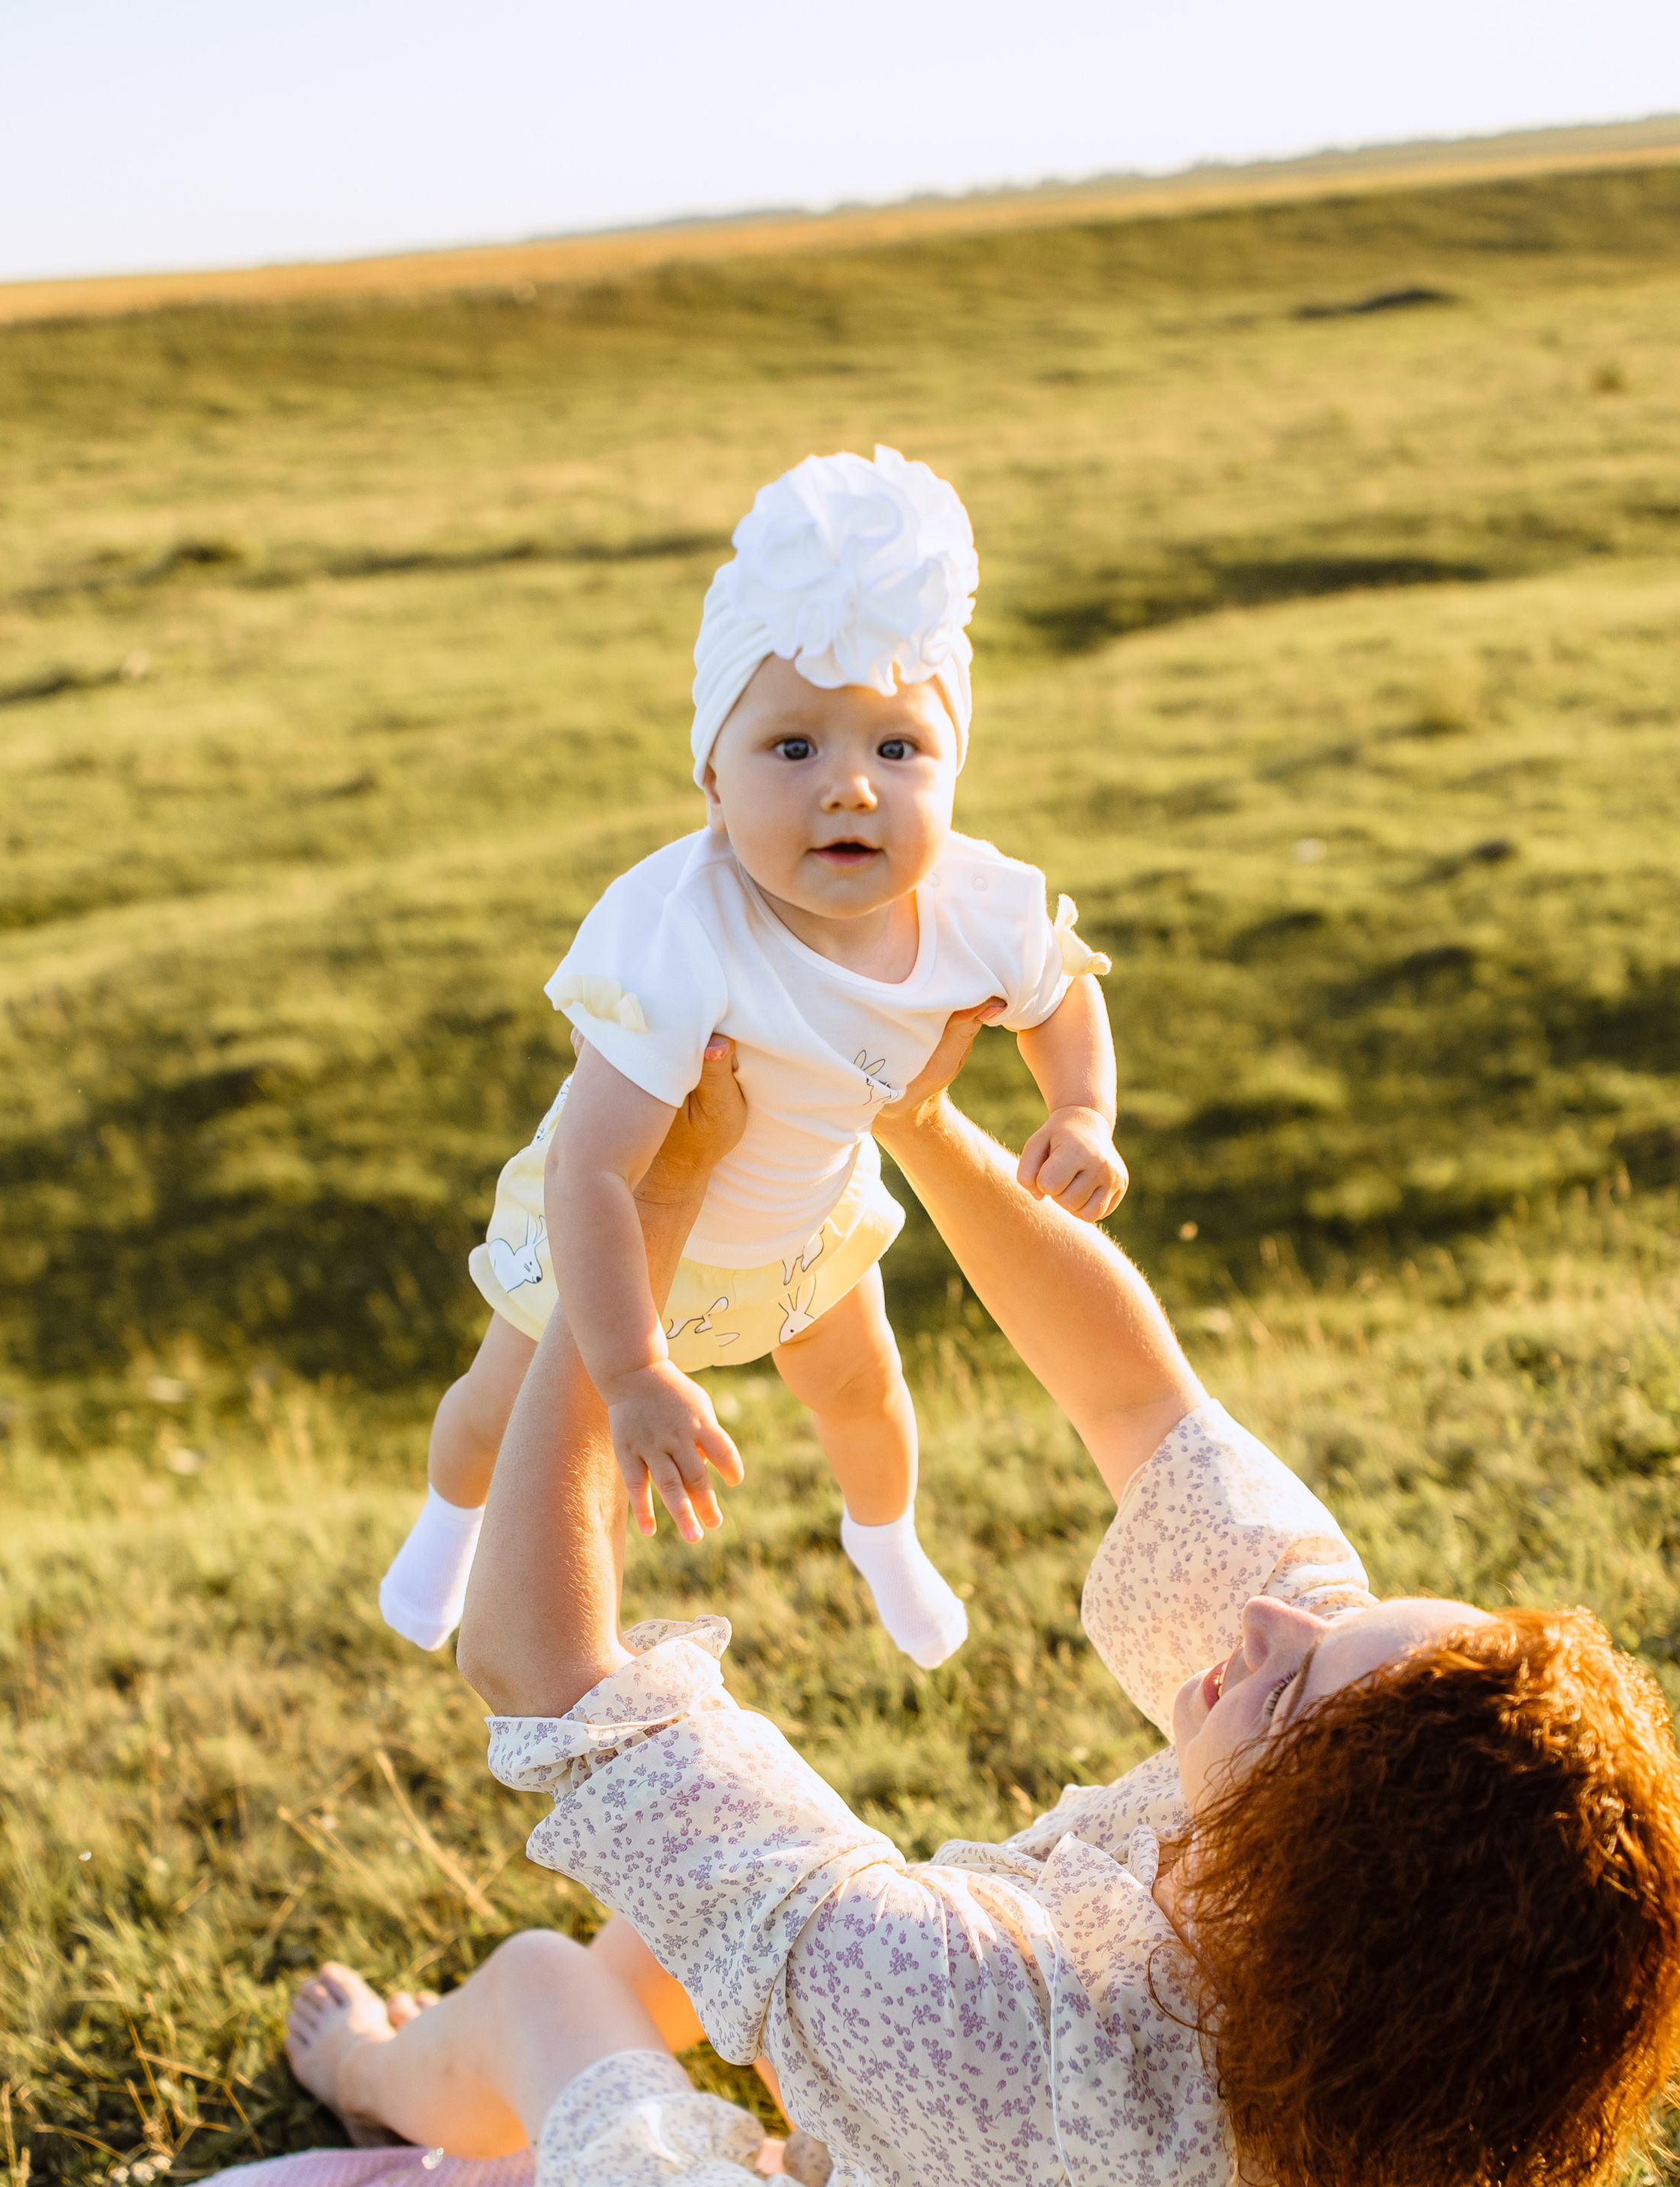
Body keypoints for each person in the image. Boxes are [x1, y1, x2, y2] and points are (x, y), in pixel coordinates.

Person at [290, 1021, 1680, 2187]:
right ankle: (690, 2052)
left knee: (554, 1994)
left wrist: (631, 1235)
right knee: (710, 1941)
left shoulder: (996, 2032)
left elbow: (542, 1667)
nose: (1268, 1618)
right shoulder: (1378, 2038)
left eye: (1301, 1678)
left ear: (1298, 1872)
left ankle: (386, 2074)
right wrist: (915, 1116)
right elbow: (1137, 1400)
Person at [378, 445, 1124, 1673]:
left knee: (865, 1389)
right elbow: (596, 1176)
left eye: (898, 750)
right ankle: (449, 1528)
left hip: (805, 1224)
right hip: (621, 1253)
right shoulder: (680, 932)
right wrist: (632, 1370)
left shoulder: (970, 904)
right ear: (710, 779)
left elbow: (1059, 989)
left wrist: (1082, 1110)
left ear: (952, 768)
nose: (849, 789)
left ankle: (885, 1540)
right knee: (498, 1414)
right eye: (793, 750)